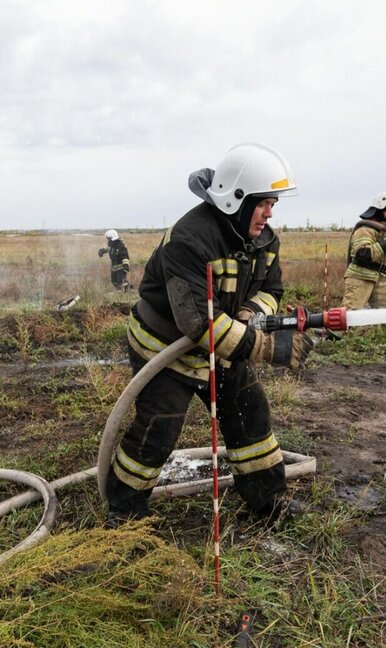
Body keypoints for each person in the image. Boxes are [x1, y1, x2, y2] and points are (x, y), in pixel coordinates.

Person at [105, 142, 316, 524]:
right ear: (237, 199)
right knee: (159, 428)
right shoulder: (189, 240)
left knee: (250, 416)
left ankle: (267, 503)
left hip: (227, 344)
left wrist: (252, 314)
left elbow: (272, 290)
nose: (270, 212)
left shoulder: (264, 240)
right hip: (165, 348)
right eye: (264, 202)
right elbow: (200, 325)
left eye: (273, 203)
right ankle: (124, 515)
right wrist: (269, 347)